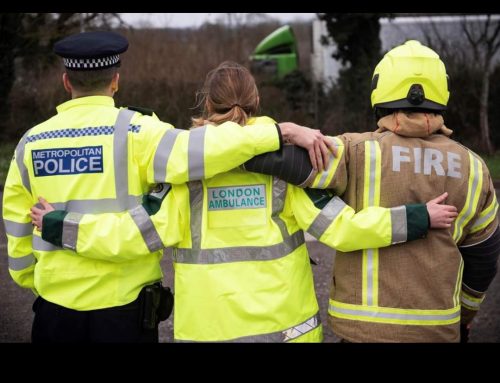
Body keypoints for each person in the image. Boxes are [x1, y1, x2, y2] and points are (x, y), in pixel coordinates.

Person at [31, 61, 458, 342]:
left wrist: (61, 227)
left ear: (207, 104)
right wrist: (417, 217)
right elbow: (344, 231)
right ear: (255, 104)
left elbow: (129, 237)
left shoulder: (182, 177)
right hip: (287, 333)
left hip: (207, 333)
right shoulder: (288, 168)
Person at [1, 31, 335, 343]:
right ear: (115, 81)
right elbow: (208, 149)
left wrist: (38, 282)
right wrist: (281, 133)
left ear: (65, 81)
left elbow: (17, 233)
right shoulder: (138, 132)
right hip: (125, 306)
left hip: (54, 308)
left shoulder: (30, 143)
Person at [245, 40, 500, 342]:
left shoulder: (356, 150)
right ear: (441, 92)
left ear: (380, 90)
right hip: (437, 330)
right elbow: (483, 261)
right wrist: (464, 317)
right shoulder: (474, 169)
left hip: (359, 330)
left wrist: (272, 133)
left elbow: (275, 158)